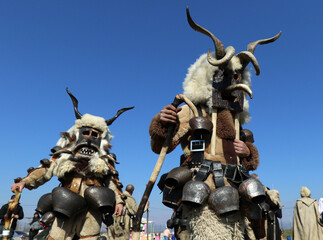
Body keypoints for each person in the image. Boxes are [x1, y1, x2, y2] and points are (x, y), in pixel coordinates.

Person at [149, 8, 280, 240]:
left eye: (237, 78)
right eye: (225, 76)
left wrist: (248, 151)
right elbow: (162, 146)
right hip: (203, 189)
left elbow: (248, 160)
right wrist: (162, 123)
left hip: (236, 188)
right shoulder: (193, 110)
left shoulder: (237, 120)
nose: (232, 83)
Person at [10, 89, 133, 240]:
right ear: (77, 134)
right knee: (56, 237)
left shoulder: (105, 162)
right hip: (65, 206)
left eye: (95, 135)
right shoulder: (63, 156)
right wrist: (25, 181)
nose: (89, 139)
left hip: (91, 211)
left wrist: (119, 202)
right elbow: (45, 169)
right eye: (86, 133)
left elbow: (112, 182)